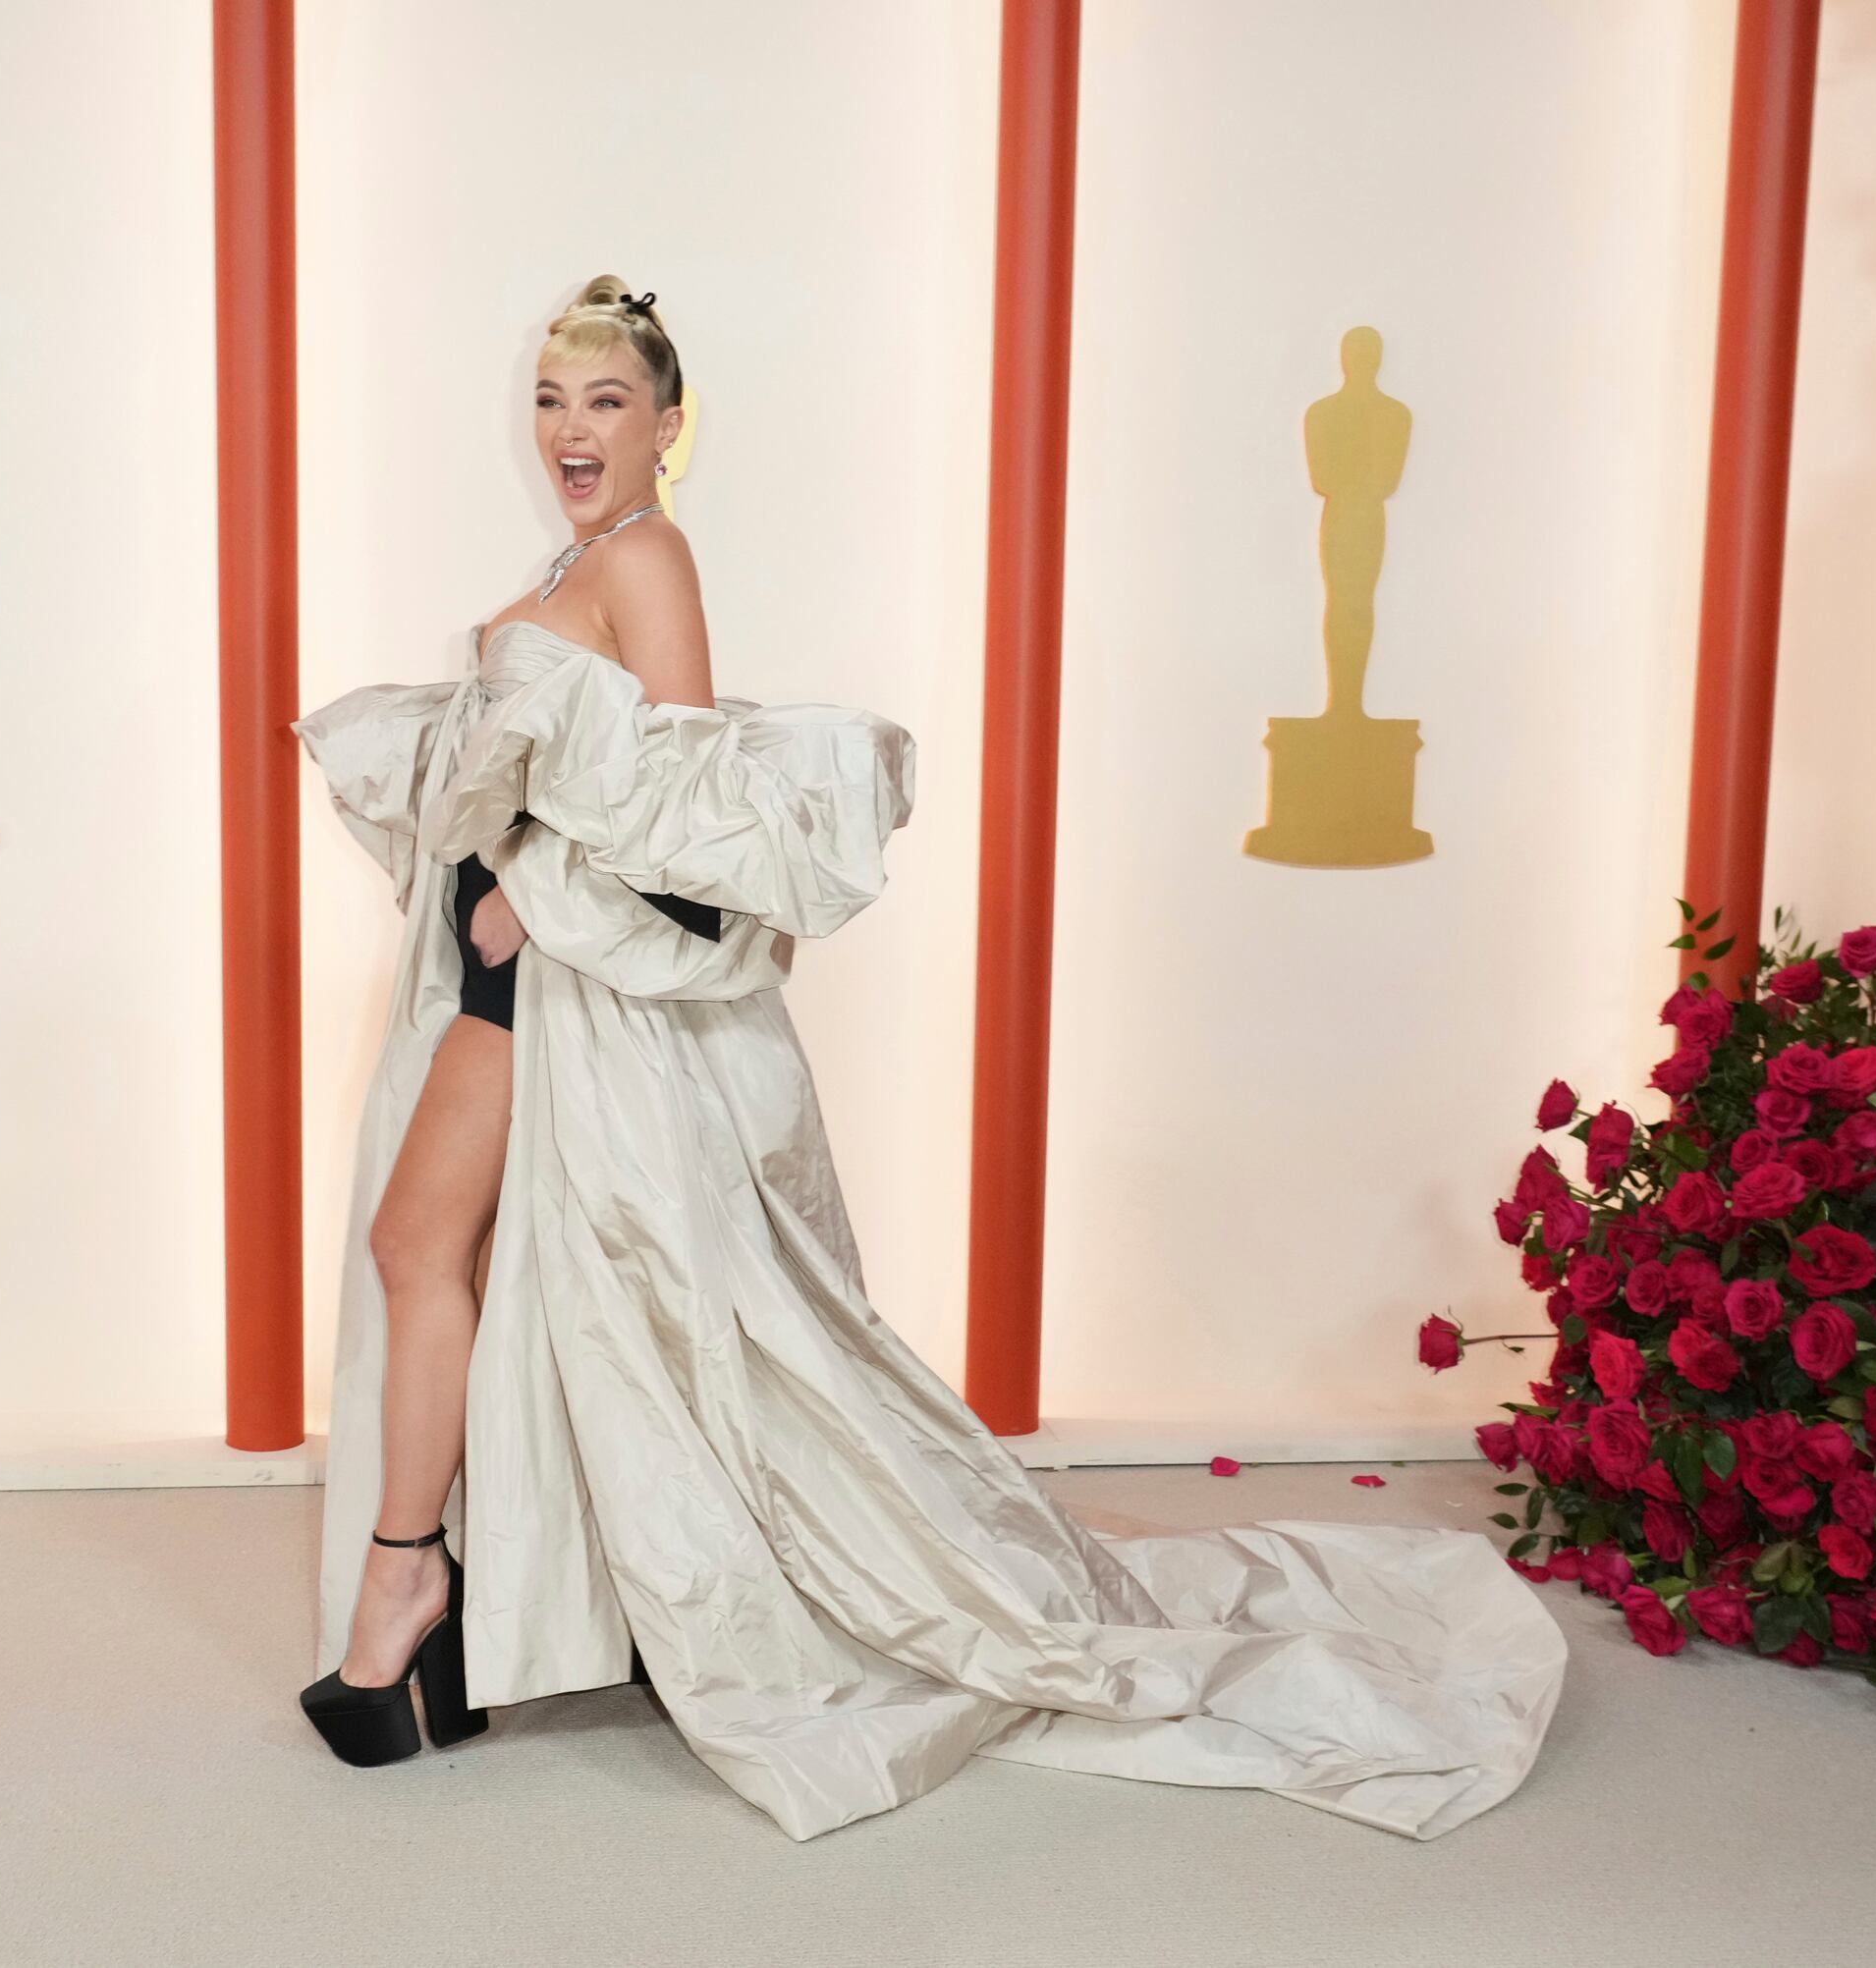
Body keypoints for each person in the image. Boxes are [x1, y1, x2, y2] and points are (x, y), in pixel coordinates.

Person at [290, 275, 1566, 1841]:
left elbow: (714, 819)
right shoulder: (577, 560)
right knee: (433, 1254)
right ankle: (427, 1594)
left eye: (608, 402)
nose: (572, 427)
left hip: (567, 982)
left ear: (669, 428)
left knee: (446, 1255)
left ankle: (408, 1608)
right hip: (520, 978)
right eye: (554, 400)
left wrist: (541, 911)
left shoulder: (648, 559)